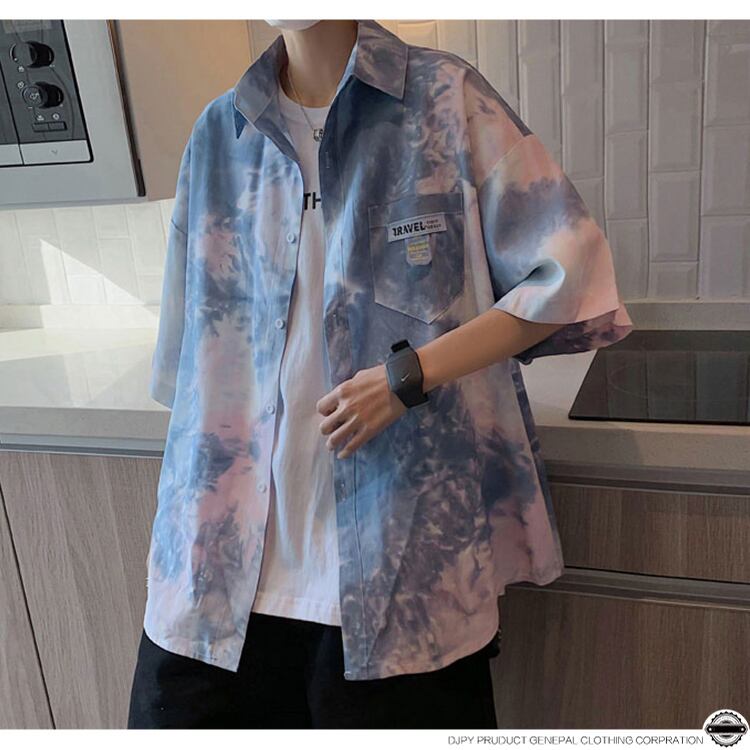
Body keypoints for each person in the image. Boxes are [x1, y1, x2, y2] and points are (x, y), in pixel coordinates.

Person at [127, 18, 633, 729]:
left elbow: (568, 276)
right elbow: (188, 373)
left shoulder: (446, 98)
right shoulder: (220, 133)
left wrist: (410, 374)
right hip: (215, 577)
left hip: (404, 570)